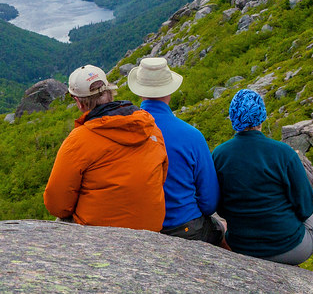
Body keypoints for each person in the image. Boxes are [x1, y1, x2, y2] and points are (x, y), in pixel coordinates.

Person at [212, 89, 313, 278]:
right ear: (261, 117)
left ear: (233, 118)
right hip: (289, 248)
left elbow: (220, 208)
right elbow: (305, 208)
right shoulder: (283, 153)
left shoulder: (219, 154)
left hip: (241, 246)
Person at [44, 64, 168, 231]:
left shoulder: (79, 139)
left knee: (60, 223)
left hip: (100, 237)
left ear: (78, 102)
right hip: (151, 229)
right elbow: (161, 177)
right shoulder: (149, 127)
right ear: (110, 92)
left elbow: (57, 204)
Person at [128, 57, 224, 245]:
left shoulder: (121, 131)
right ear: (170, 91)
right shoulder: (192, 136)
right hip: (185, 228)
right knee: (223, 230)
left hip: (136, 227)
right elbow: (209, 202)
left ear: (140, 92)